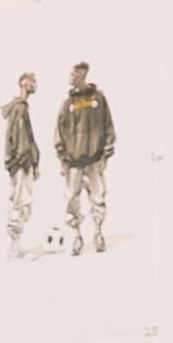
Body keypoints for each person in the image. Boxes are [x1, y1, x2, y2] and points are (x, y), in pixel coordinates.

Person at [53, 60, 116, 254]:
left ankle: (98, 233)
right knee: (72, 200)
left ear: (82, 74)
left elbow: (108, 126)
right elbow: (59, 133)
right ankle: (77, 237)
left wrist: (105, 154)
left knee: (98, 198)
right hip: (73, 163)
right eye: (70, 74)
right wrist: (63, 160)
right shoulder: (67, 103)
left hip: (95, 160)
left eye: (73, 74)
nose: (70, 78)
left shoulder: (99, 98)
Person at [1, 70, 41, 250]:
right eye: (33, 82)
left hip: (23, 162)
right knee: (20, 201)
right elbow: (19, 139)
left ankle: (15, 245)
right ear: (24, 83)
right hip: (21, 163)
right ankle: (14, 247)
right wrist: (25, 160)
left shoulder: (21, 107)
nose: (35, 85)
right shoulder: (19, 108)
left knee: (24, 201)